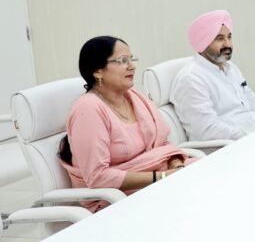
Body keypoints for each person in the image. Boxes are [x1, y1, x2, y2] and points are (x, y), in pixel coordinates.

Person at [59, 36, 194, 212]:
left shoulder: (134, 98)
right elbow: (98, 177)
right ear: (98, 71)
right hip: (116, 200)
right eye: (123, 61)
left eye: (131, 59)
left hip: (158, 183)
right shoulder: (88, 110)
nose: (132, 66)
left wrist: (176, 165)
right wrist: (161, 177)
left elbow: (162, 146)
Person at [170, 10, 255, 141]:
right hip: (231, 146)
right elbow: (207, 130)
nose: (228, 44)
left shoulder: (231, 69)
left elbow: (254, 105)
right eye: (220, 39)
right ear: (203, 42)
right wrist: (252, 138)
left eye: (229, 37)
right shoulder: (191, 79)